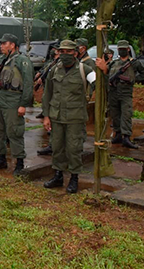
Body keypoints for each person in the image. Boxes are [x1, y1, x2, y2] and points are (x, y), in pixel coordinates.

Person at [42, 40, 96, 194]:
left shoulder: (85, 70)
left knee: (73, 149)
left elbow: (100, 86)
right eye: (62, 52)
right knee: (57, 147)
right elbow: (47, 94)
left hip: (75, 118)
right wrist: (46, 116)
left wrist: (103, 72)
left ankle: (74, 178)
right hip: (57, 117)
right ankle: (58, 175)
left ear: (76, 53)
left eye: (69, 52)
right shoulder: (54, 70)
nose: (65, 55)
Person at [0, 34, 34, 176]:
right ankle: (1, 158)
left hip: (13, 100)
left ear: (12, 45)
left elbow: (28, 84)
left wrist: (24, 104)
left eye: (4, 43)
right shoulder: (1, 59)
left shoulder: (22, 61)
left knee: (14, 132)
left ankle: (19, 162)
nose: (1, 46)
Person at [96, 40, 144, 149]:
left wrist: (134, 79)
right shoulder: (114, 63)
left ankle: (126, 137)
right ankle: (118, 134)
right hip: (113, 92)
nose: (122, 50)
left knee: (126, 114)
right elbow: (106, 73)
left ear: (128, 49)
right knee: (115, 114)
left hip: (126, 92)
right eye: (120, 49)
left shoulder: (134, 63)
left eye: (124, 49)